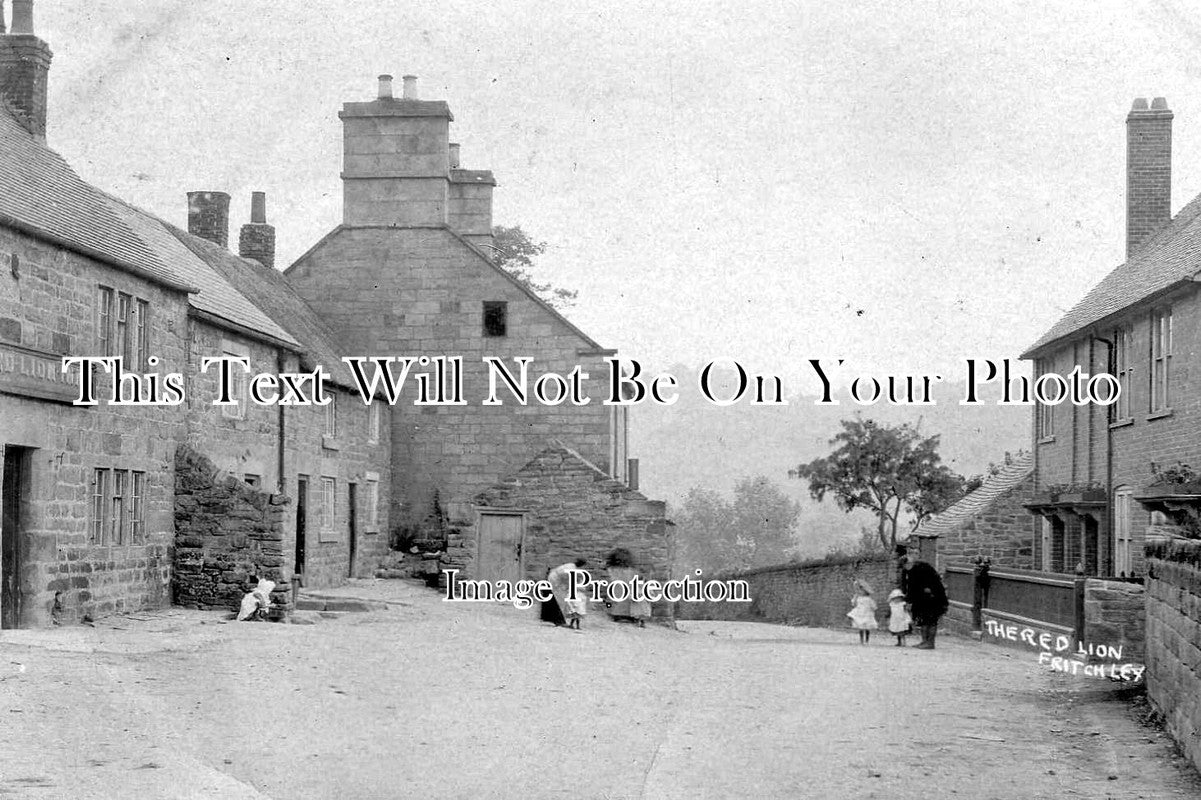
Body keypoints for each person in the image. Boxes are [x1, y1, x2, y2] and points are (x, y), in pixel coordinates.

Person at [902, 553, 949, 649]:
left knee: (930, 621)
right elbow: (910, 587)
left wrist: (909, 599)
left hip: (932, 600)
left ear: (909, 563)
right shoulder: (911, 571)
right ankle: (924, 641)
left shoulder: (922, 569)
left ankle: (930, 642)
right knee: (923, 621)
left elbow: (916, 587)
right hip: (922, 600)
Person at [605, 548, 651, 628]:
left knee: (617, 600)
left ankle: (617, 615)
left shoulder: (612, 569)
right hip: (624, 588)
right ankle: (630, 616)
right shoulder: (630, 570)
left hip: (618, 588)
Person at [548, 559, 589, 630]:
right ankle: (557, 620)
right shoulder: (571, 569)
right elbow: (569, 580)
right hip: (555, 581)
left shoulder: (571, 567)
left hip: (557, 580)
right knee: (558, 601)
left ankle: (559, 620)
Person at [846, 579, 878, 644]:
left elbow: (873, 606)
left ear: (866, 592)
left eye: (863, 591)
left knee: (867, 627)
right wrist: (855, 598)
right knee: (860, 626)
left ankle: (867, 640)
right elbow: (854, 604)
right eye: (860, 591)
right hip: (860, 613)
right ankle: (861, 640)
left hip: (867, 613)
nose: (861, 592)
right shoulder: (858, 597)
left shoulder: (869, 599)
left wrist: (872, 608)